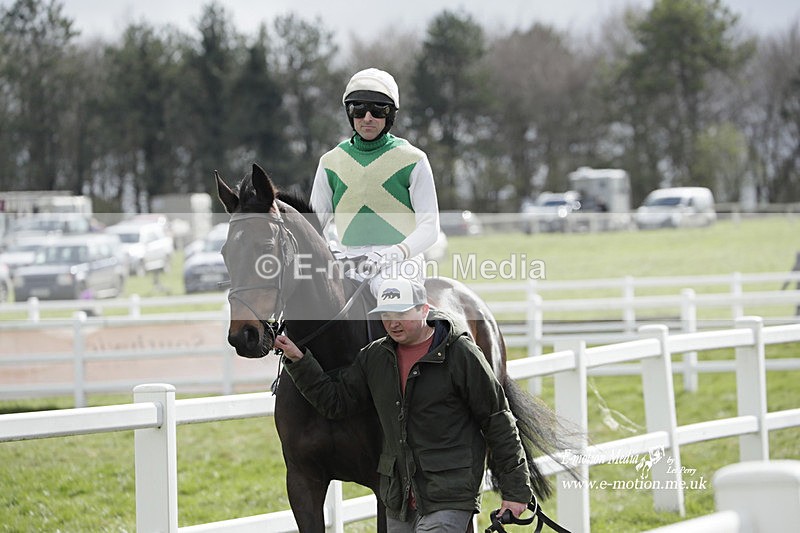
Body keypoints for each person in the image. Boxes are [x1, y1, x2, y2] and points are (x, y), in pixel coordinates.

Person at [274, 278, 533, 532]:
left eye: (401, 313)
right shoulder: (375, 357)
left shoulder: (461, 353)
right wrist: (298, 360)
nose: (393, 322)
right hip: (400, 501)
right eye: (385, 314)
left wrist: (516, 491)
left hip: (448, 496)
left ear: (424, 310)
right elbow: (336, 402)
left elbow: (497, 420)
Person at [309, 68, 440, 298]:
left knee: (393, 295)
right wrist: (332, 252)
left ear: (390, 115)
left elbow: (430, 227)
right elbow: (313, 227)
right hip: (347, 263)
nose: (367, 117)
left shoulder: (414, 159)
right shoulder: (329, 162)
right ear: (350, 113)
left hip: (400, 264)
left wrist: (393, 254)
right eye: (358, 109)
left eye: (378, 110)